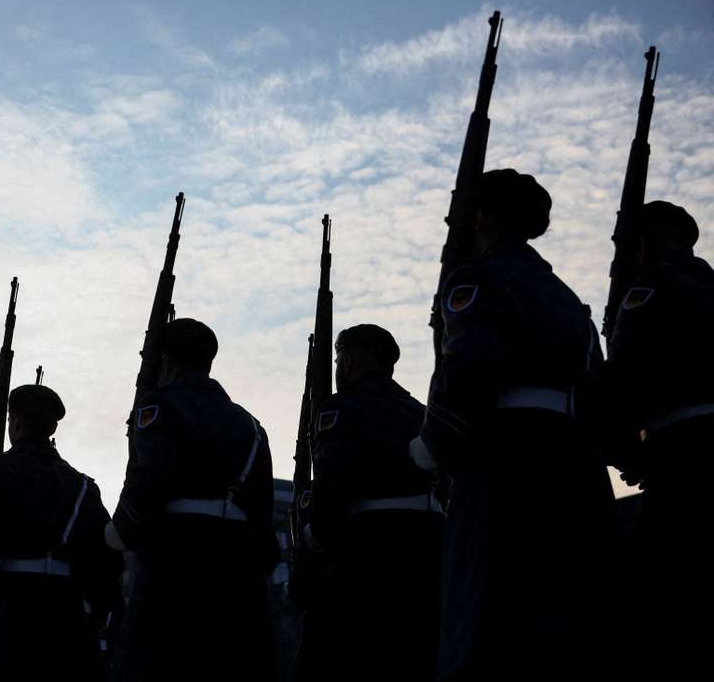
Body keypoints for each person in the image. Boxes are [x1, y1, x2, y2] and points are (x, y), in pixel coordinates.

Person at [411, 169, 618, 680]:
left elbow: (466, 370)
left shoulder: (476, 278)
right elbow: (597, 384)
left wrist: (434, 444)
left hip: (503, 460)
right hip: (575, 460)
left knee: (487, 623)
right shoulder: (568, 297)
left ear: (483, 216)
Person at [106, 318, 278, 682]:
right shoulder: (250, 425)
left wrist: (122, 530)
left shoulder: (159, 407)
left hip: (173, 558)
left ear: (166, 361)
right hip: (236, 565)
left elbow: (148, 479)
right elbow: (262, 513)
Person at [603, 200, 713, 676]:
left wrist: (624, 449)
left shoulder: (650, 286)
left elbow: (626, 370)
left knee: (661, 587)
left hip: (682, 448)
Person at [0, 384, 120, 682]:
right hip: (66, 612)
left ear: (15, 421)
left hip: (10, 609)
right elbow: (105, 558)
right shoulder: (82, 485)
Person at [304, 324, 441, 679]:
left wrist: (314, 540)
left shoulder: (342, 407)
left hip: (371, 547)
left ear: (350, 362)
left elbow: (332, 483)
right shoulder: (421, 412)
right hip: (432, 543)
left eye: (339, 358)